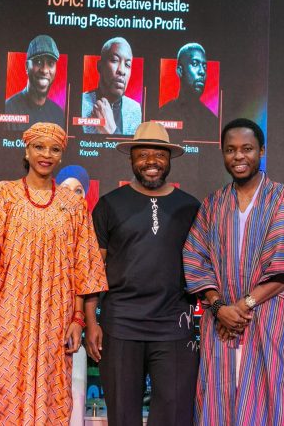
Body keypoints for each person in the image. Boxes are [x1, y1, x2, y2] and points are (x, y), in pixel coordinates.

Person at [183, 118, 284, 425]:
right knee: (221, 398)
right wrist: (219, 306)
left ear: (261, 151)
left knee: (277, 400)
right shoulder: (212, 204)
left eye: (247, 148)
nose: (238, 156)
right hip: (222, 324)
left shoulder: (283, 200)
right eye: (230, 150)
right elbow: (196, 259)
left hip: (273, 320)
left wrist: (243, 305)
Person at [0, 122, 108, 424]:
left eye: (54, 149)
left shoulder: (74, 206)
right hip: (8, 316)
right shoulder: (3, 195)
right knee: (4, 393)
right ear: (26, 150)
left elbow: (84, 266)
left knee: (53, 397)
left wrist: (78, 318)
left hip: (57, 319)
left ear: (61, 156)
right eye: (39, 147)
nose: (46, 155)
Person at [85, 121, 200, 425]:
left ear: (170, 159)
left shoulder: (190, 207)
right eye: (143, 155)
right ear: (131, 158)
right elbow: (93, 270)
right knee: (123, 417)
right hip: (121, 324)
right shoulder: (109, 205)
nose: (151, 162)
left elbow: (203, 266)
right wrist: (90, 321)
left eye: (159, 155)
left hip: (174, 326)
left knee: (174, 416)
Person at [56, 163, 93, 426]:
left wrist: (79, 320)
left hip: (73, 327)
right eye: (64, 188)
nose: (71, 195)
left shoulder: (91, 232)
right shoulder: (37, 225)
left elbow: (86, 280)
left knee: (67, 396)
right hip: (33, 326)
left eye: (78, 190)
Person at [157, 43, 219, 141]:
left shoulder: (213, 121)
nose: (202, 71)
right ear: (180, 71)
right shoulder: (162, 114)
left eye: (204, 66)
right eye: (195, 64)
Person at [81, 37, 142, 135]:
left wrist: (112, 131)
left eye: (127, 65)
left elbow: (130, 149)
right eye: (114, 60)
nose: (122, 70)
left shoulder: (134, 110)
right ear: (100, 66)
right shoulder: (81, 103)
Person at [4, 34, 65, 129]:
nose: (44, 70)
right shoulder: (8, 110)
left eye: (50, 63)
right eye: (38, 62)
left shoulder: (58, 114)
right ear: (26, 67)